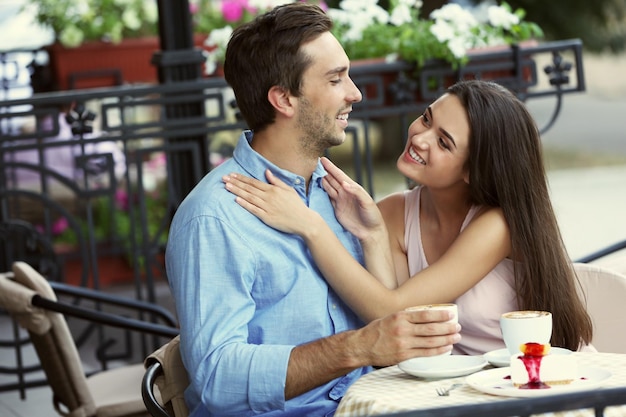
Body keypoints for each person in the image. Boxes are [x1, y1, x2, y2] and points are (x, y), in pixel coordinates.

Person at [165, 4, 461, 417]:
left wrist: (372, 237)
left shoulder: (336, 197)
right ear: (283, 99)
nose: (354, 93)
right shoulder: (214, 217)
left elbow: (390, 339)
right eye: (336, 79)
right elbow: (217, 378)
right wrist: (356, 347)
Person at [222, 79, 594, 356]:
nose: (419, 137)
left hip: (535, 389)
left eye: (444, 142)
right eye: (426, 118)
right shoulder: (394, 212)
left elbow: (390, 308)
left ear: (474, 171)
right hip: (456, 396)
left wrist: (310, 227)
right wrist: (372, 236)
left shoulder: (497, 226)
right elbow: (394, 321)